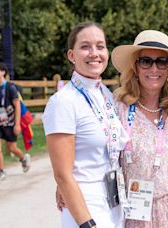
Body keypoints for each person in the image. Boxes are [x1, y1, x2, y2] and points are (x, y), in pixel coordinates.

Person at [43, 22, 129, 228]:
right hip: (85, 207)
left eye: (100, 46)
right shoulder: (63, 102)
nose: (94, 53)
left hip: (115, 203)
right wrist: (86, 223)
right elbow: (62, 174)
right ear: (71, 56)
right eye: (85, 47)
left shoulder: (106, 95)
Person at [112, 30, 168, 227]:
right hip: (135, 214)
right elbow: (96, 153)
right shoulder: (119, 108)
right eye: (146, 61)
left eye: (161, 62)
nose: (154, 68)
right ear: (136, 67)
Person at [0, 62, 31, 182]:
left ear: (3, 72)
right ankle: (1, 171)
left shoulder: (11, 87)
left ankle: (23, 158)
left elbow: (17, 106)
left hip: (11, 121)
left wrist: (17, 124)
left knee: (12, 147)